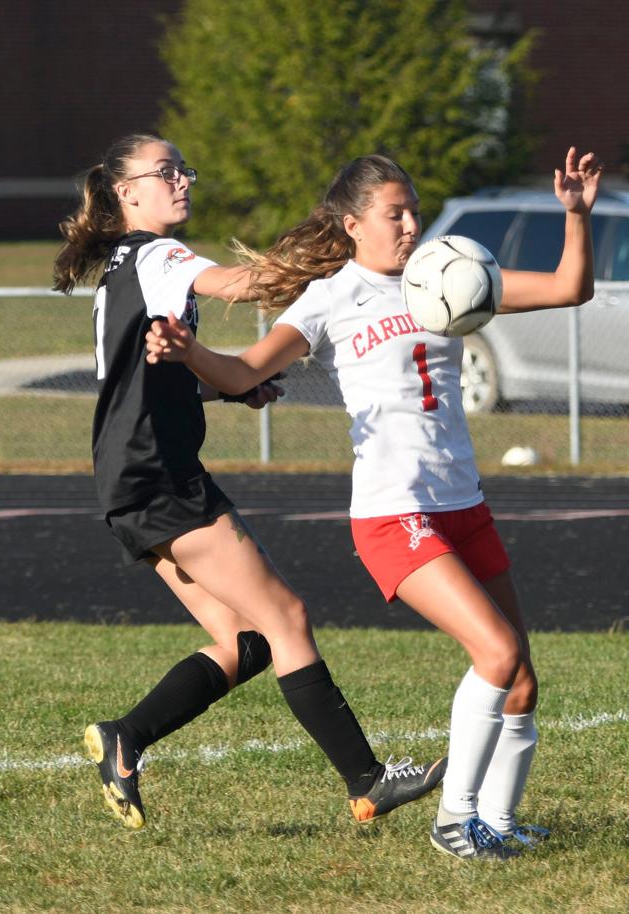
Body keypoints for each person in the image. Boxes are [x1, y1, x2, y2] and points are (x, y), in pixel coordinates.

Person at [145, 146, 603, 860]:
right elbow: (242, 372)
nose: (412, 224)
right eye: (396, 213)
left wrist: (577, 215)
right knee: (497, 651)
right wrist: (188, 352)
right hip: (395, 514)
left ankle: (500, 824)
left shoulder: (446, 269)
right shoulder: (330, 299)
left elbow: (572, 288)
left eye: (415, 210)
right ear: (353, 223)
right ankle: (456, 826)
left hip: (464, 504)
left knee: (521, 682)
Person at [52, 133, 446, 831]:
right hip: (160, 478)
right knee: (287, 617)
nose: (181, 180)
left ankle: (126, 738)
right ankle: (368, 780)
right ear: (126, 193)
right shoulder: (158, 254)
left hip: (130, 478)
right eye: (164, 171)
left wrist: (231, 391)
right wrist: (331, 246)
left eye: (184, 168)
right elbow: (247, 285)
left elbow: (141, 388)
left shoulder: (128, 266)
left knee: (249, 640)